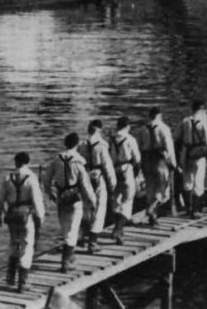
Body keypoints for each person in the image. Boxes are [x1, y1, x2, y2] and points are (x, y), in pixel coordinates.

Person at [42, 132, 96, 272]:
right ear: (77, 144)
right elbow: (85, 184)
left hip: (61, 197)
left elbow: (46, 179)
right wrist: (92, 200)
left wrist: (50, 193)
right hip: (74, 198)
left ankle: (70, 258)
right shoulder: (78, 161)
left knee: (65, 228)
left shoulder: (56, 159)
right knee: (72, 231)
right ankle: (66, 262)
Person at [0, 151, 45, 292]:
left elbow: (0, 200)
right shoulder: (31, 178)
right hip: (26, 217)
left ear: (15, 162)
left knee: (14, 243)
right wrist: (40, 218)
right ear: (28, 162)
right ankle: (22, 283)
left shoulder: (7, 178)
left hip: (11, 216)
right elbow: (37, 201)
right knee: (27, 246)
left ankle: (10, 277)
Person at [79, 120, 115, 253]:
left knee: (85, 208)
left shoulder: (81, 145)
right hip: (98, 178)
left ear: (89, 129)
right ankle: (93, 243)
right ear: (100, 130)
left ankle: (83, 237)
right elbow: (107, 166)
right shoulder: (101, 145)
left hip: (84, 178)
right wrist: (112, 184)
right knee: (99, 209)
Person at [137, 107, 178, 224]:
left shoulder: (142, 129)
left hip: (146, 161)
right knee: (163, 189)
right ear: (160, 115)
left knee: (150, 189)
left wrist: (140, 165)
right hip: (160, 161)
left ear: (150, 116)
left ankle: (152, 218)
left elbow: (139, 147)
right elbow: (169, 148)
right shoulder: (164, 128)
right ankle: (151, 208)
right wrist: (173, 164)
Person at [176, 101, 207, 218]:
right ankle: (196, 209)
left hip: (187, 153)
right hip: (199, 154)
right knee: (199, 181)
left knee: (187, 181)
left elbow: (176, 137)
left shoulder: (185, 121)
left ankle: (188, 208)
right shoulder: (204, 122)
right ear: (202, 109)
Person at [110, 116, 141, 244]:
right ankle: (118, 229)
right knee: (127, 201)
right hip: (127, 170)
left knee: (116, 201)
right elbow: (137, 159)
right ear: (128, 126)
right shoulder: (130, 139)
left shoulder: (111, 139)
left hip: (114, 170)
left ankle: (118, 228)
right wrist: (136, 173)